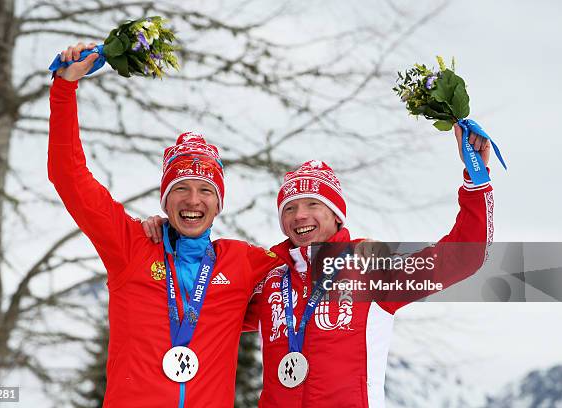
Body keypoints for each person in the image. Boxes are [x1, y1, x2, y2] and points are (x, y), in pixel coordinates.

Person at [142, 126, 494, 407]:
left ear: (335, 214)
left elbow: (463, 257)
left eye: (313, 204)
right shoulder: (270, 278)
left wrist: (476, 181)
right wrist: (172, 238)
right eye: (290, 209)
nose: (301, 216)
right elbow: (201, 308)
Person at [48, 42, 282, 407]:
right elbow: (69, 177)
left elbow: (316, 258)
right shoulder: (130, 246)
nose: (192, 200)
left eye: (205, 190)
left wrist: (352, 239)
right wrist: (65, 88)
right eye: (181, 189)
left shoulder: (243, 262)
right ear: (165, 200)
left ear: (218, 204)